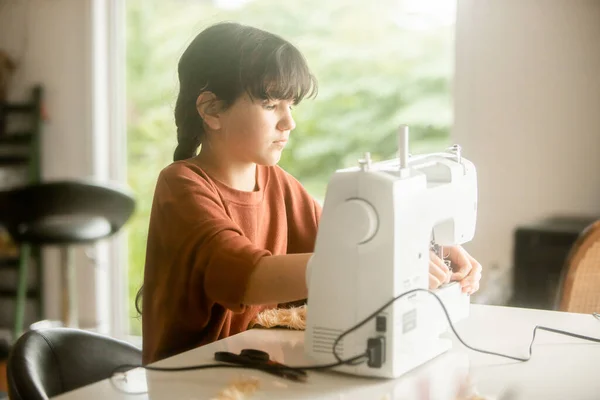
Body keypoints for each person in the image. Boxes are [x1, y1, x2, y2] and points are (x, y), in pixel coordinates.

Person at [138, 22, 482, 364]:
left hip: (251, 366)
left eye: (291, 106)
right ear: (211, 109)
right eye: (271, 105)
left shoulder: (278, 183)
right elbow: (250, 278)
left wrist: (430, 247)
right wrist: (389, 267)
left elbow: (348, 246)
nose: (289, 123)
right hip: (187, 381)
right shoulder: (181, 186)